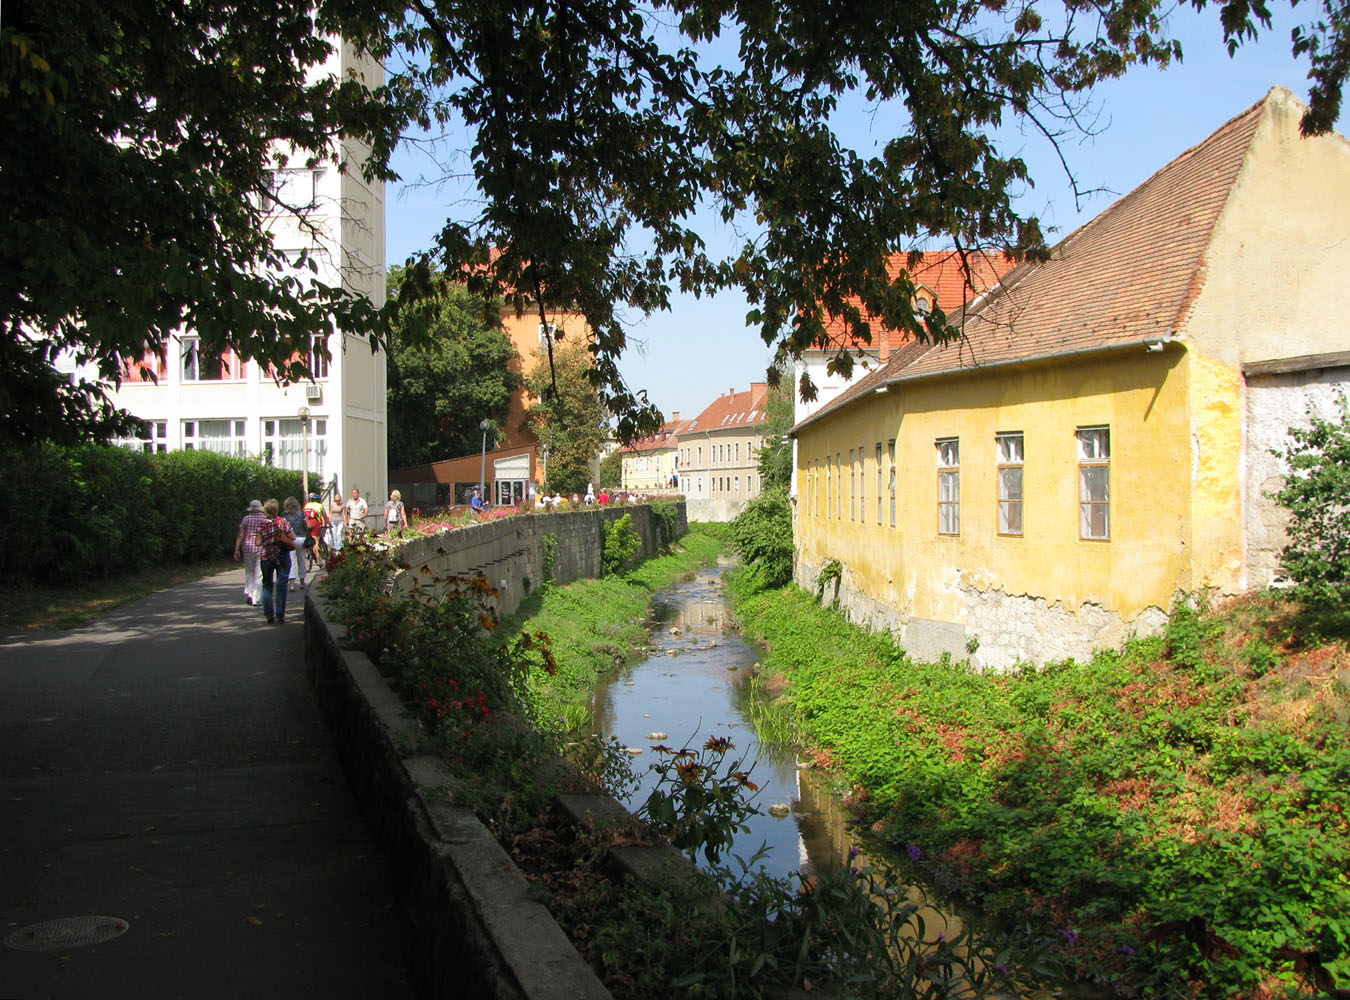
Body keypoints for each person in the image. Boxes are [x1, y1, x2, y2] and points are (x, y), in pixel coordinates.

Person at [258, 498, 296, 624]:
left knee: (267, 585)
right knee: (281, 584)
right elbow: (293, 536)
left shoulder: (262, 524)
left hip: (266, 557)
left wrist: (266, 540)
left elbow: (257, 543)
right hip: (282, 556)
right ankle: (280, 615)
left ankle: (269, 614)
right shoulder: (282, 521)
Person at [233, 499, 267, 606]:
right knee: (259, 573)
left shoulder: (246, 519)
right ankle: (256, 598)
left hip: (247, 548)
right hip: (261, 547)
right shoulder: (265, 519)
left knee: (249, 572)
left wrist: (237, 549)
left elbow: (241, 535)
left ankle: (250, 595)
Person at [282, 496, 309, 591]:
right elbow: (308, 525)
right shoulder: (302, 513)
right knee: (302, 559)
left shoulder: (284, 515)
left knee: (291, 561)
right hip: (301, 538)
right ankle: (302, 582)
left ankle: (292, 584)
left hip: (290, 540)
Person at [303, 493, 329, 562]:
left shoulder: (307, 505)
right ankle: (318, 559)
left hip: (305, 523)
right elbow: (325, 517)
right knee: (316, 541)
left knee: (308, 537)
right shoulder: (320, 506)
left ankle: (309, 552)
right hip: (315, 523)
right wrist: (328, 524)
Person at [329, 488, 346, 552]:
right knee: (334, 534)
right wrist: (329, 521)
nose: (337, 502)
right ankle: (336, 547)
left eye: (338, 500)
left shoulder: (342, 505)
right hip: (333, 521)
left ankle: (338, 548)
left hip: (340, 521)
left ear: (340, 500)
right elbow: (330, 513)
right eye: (336, 500)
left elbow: (344, 514)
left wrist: (345, 522)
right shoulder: (332, 505)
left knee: (338, 534)